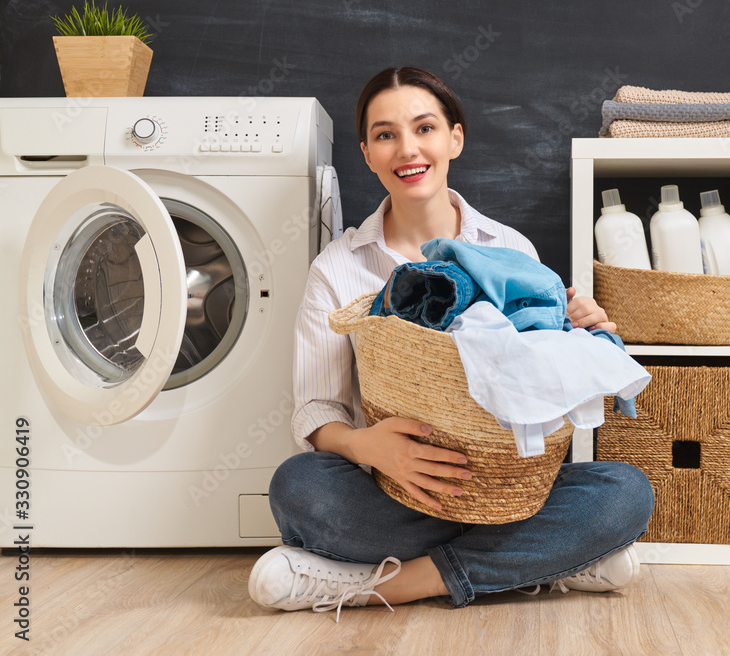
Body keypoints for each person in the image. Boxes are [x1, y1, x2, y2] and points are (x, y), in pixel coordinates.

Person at [248, 66, 655, 618]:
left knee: (625, 493)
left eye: (424, 128)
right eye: (386, 134)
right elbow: (316, 410)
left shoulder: (509, 248)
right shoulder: (338, 267)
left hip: (507, 490)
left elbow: (541, 378)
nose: (407, 149)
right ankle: (540, 564)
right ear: (367, 153)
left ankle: (385, 585)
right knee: (298, 487)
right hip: (397, 496)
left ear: (454, 138)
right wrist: (366, 447)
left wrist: (583, 331)